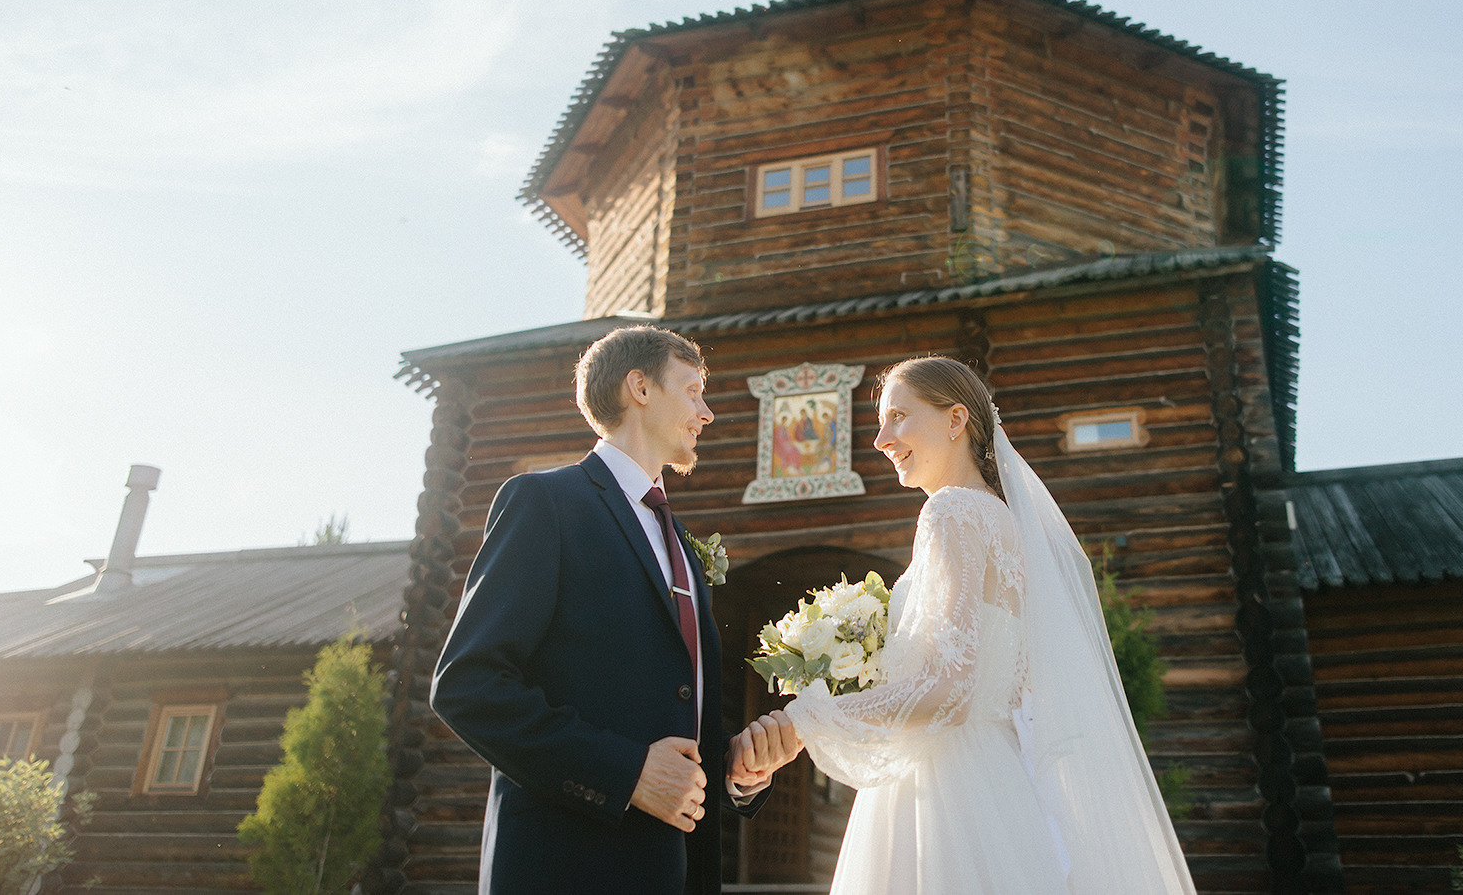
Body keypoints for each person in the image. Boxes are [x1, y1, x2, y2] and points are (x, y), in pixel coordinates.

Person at [732, 356, 1198, 895]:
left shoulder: (950, 513)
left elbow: (947, 690)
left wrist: (806, 720)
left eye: (898, 417)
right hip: (1002, 784)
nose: (882, 439)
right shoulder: (1010, 528)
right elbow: (1009, 683)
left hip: (941, 793)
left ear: (956, 421)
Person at [431, 325, 772, 895]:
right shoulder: (545, 503)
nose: (707, 413)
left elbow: (666, 704)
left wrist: (735, 769)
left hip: (674, 871)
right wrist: (627, 773)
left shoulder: (683, 546)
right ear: (639, 387)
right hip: (566, 865)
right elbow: (468, 685)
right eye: (692, 391)